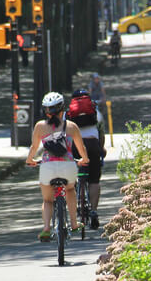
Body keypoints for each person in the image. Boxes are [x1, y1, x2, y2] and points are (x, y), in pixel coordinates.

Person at [25, 92, 90, 241]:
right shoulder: (71, 126)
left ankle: (46, 228)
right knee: (70, 189)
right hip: (68, 166)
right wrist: (84, 159)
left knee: (48, 200)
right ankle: (74, 223)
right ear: (63, 109)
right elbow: (82, 149)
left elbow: (34, 148)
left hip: (47, 167)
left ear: (45, 111)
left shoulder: (40, 126)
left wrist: (30, 160)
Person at [69, 89, 105, 229]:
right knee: (94, 180)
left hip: (75, 147)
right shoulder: (96, 113)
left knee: (72, 176)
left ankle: (77, 194)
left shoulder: (68, 114)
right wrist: (101, 149)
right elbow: (101, 135)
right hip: (92, 145)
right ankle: (94, 211)